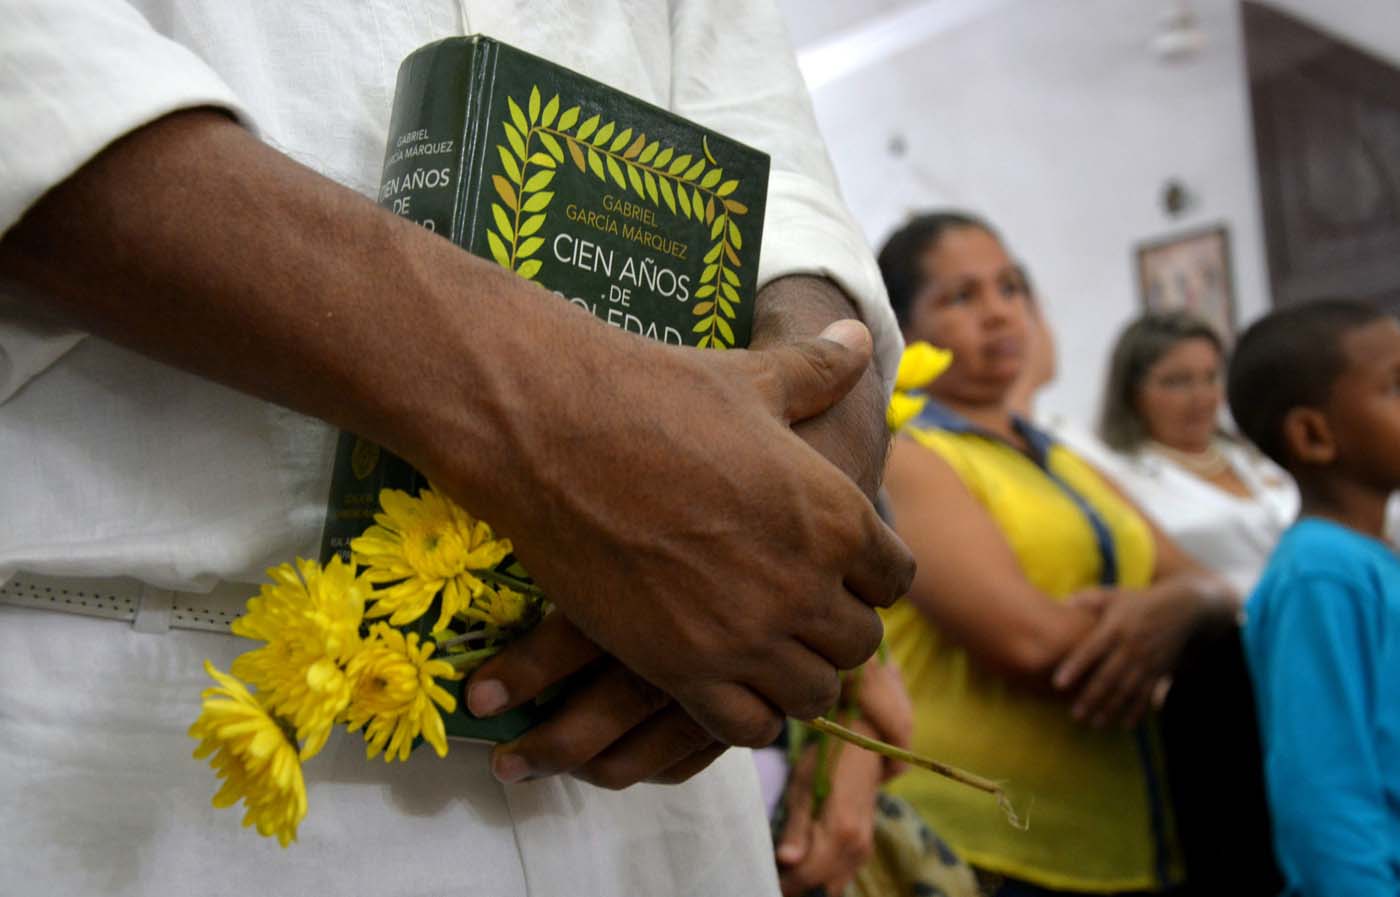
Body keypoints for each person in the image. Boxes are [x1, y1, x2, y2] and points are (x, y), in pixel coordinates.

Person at [0, 3, 915, 895]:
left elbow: (780, 175)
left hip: (654, 755)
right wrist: (555, 418)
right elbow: (38, 77)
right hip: (157, 728)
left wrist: (797, 468)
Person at [875, 211, 1238, 895]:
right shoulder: (907, 453)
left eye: (1010, 288)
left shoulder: (1066, 462)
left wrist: (1182, 604)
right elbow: (1032, 643)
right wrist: (1163, 627)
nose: (999, 314)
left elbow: (1213, 588)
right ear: (902, 324)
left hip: (1121, 839)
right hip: (977, 846)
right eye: (961, 297)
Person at [1229, 299, 1400, 897]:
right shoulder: (1321, 573)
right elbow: (1323, 787)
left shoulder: (1372, 559)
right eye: (1395, 386)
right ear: (1313, 435)